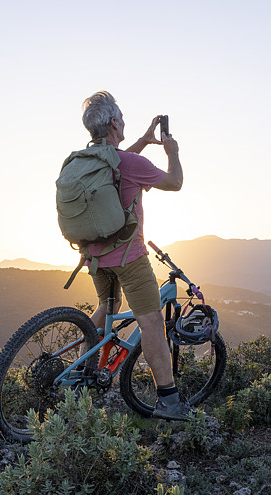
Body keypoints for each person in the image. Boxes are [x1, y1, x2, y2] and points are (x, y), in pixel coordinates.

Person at [79, 91, 190, 420]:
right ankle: (169, 401)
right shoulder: (131, 164)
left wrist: (143, 139)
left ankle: (83, 375)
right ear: (114, 122)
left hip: (92, 257)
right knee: (152, 320)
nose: (124, 120)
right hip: (128, 257)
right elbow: (176, 182)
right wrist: (173, 152)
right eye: (122, 117)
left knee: (108, 307)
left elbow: (120, 164)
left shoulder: (90, 161)